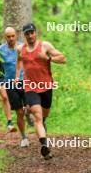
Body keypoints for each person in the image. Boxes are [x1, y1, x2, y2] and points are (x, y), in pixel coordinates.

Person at [16, 23, 66, 159]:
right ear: (24, 35)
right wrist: (17, 76)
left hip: (46, 86)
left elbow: (63, 58)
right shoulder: (20, 49)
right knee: (37, 116)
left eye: (32, 32)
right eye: (27, 33)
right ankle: (44, 145)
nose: (30, 35)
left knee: (43, 116)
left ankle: (42, 126)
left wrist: (49, 58)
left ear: (35, 33)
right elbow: (19, 62)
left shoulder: (45, 46)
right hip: (30, 87)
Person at [0, 27, 30, 147]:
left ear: (16, 36)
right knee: (19, 112)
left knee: (30, 107)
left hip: (25, 81)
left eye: (13, 36)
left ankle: (29, 113)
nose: (11, 39)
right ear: (5, 37)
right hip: (10, 84)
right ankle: (24, 137)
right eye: (8, 37)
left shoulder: (23, 47)